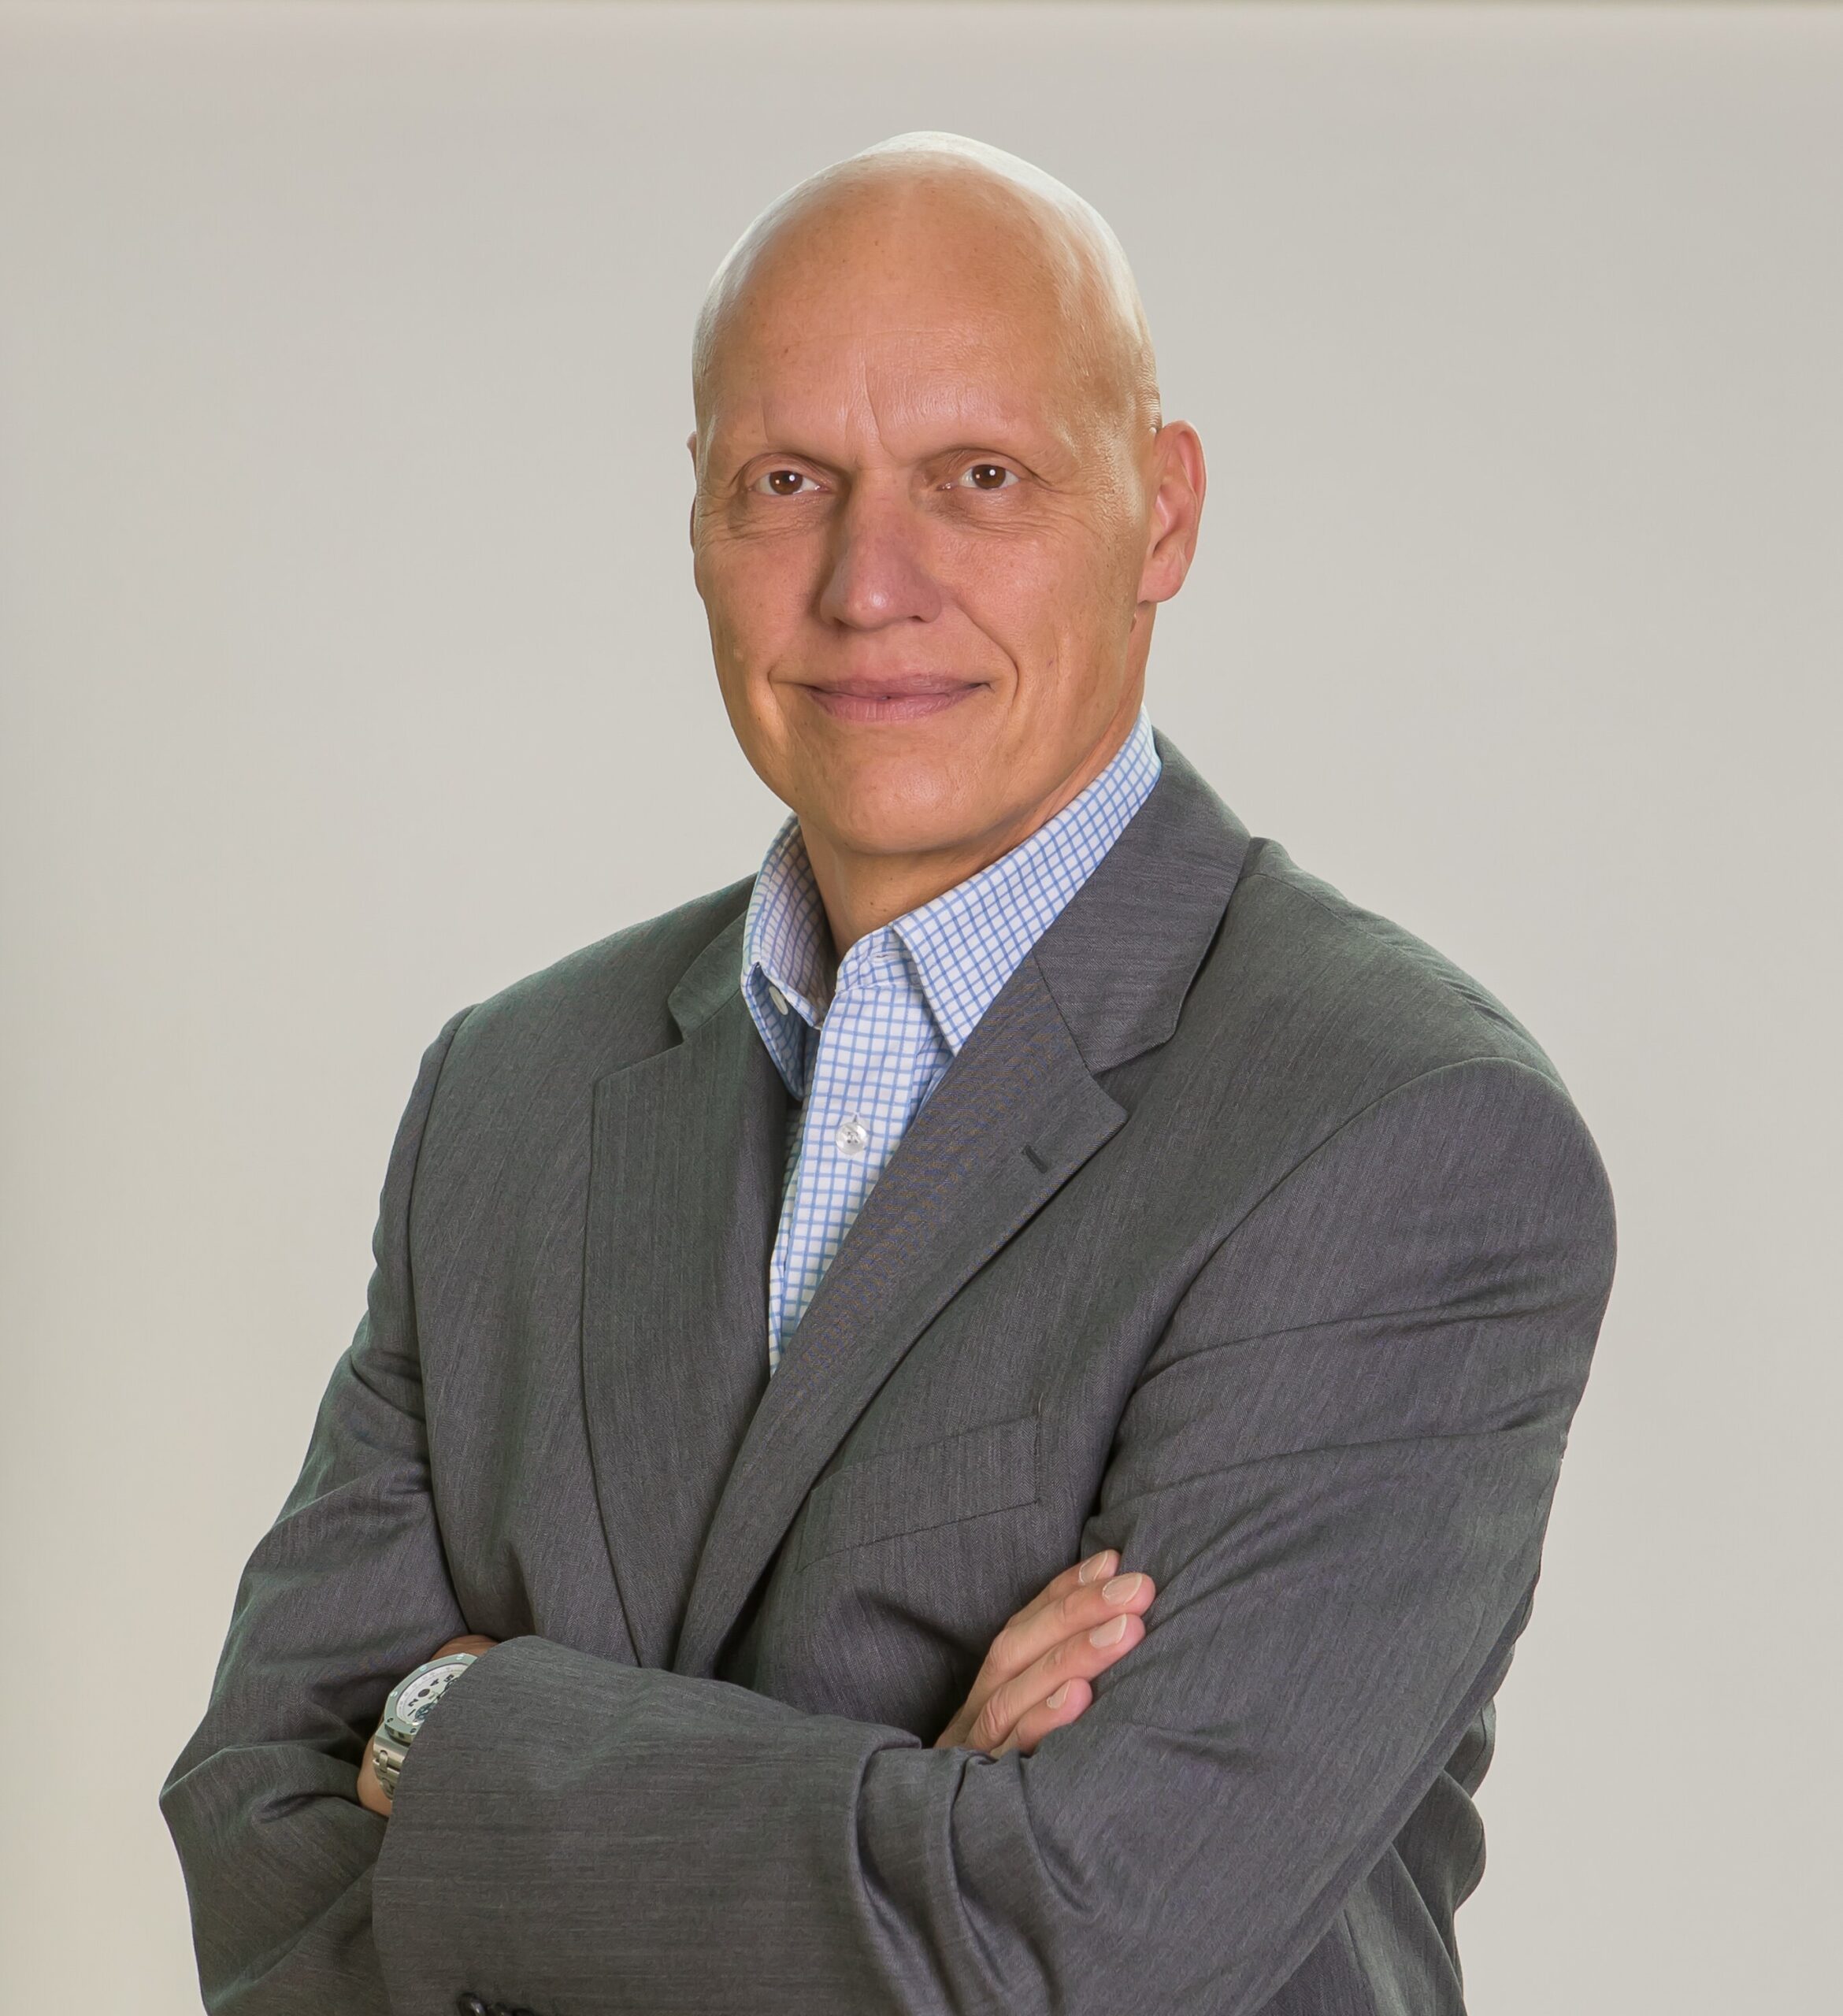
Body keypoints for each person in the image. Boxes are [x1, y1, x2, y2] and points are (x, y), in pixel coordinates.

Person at [161, 132, 1616, 2016]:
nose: (869, 582)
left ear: (1162, 513)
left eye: (979, 477)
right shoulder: (508, 1094)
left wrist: (460, 1726)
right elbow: (262, 1843)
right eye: (789, 482)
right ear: (699, 517)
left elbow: (1074, 1954)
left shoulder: (1398, 1135)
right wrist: (916, 1807)